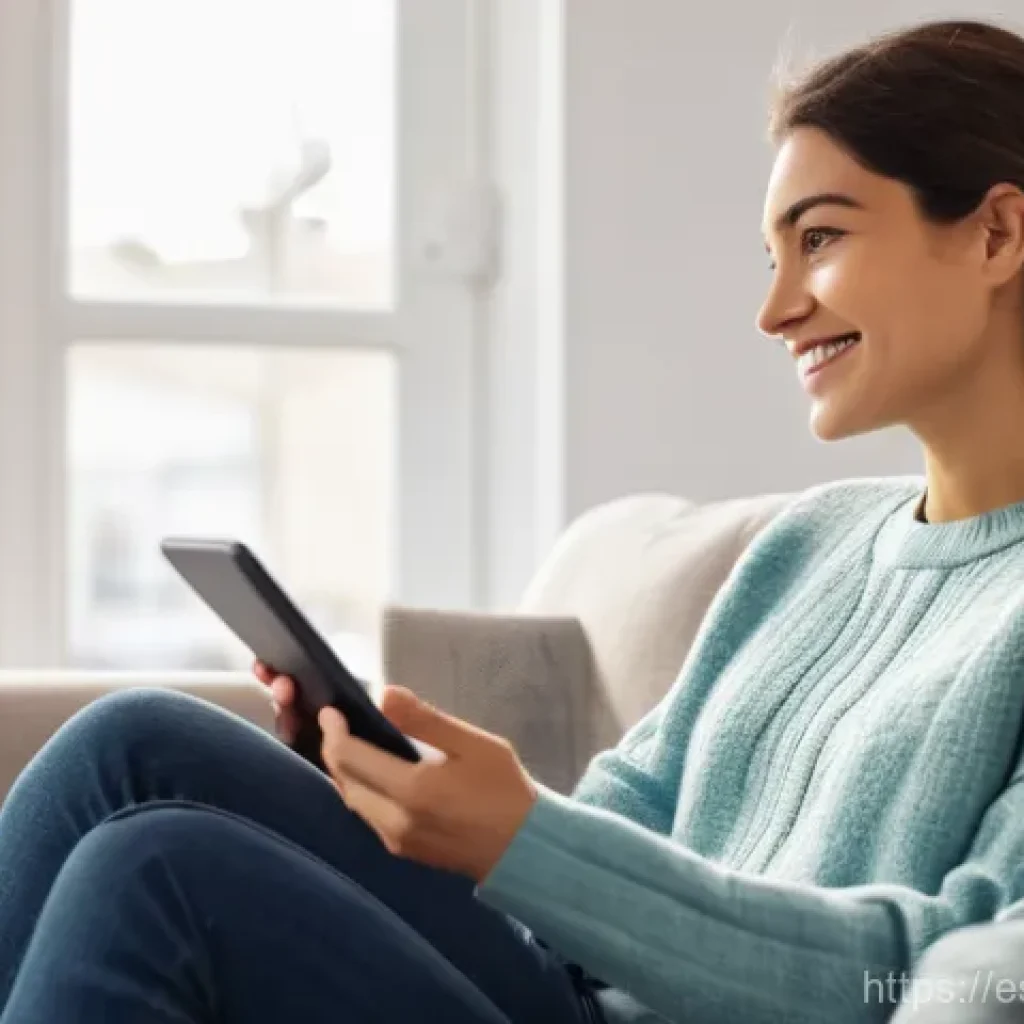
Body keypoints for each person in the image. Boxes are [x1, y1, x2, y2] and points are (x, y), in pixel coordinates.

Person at [4, 15, 1024, 1024]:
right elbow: (623, 819)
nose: (775, 310)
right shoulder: (808, 544)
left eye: (821, 238)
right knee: (129, 742)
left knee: (157, 867)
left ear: (997, 233)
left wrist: (524, 842)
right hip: (561, 979)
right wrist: (411, 796)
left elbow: (937, 968)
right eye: (773, 257)